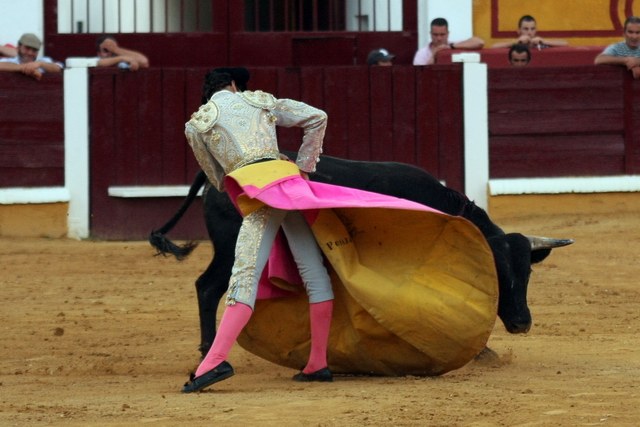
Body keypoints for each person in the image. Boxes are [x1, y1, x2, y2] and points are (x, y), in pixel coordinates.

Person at [181, 67, 335, 392]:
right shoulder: (260, 101)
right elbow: (317, 117)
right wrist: (303, 168)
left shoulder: (198, 124)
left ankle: (214, 360)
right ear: (235, 85)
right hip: (289, 183)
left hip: (259, 193)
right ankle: (318, 362)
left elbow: (218, 180)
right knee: (313, 270)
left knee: (244, 274)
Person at [413, 18, 484, 65]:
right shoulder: (422, 54)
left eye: (442, 34)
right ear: (430, 34)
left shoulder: (454, 45)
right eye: (435, 35)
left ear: (448, 33)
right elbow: (422, 75)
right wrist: (434, 56)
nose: (439, 38)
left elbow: (480, 42)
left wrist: (451, 46)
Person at [491, 15, 569, 49]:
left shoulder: (541, 45)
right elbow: (493, 47)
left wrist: (544, 42)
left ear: (536, 30)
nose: (529, 32)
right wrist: (517, 42)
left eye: (532, 29)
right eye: (526, 29)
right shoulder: (514, 45)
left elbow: (565, 44)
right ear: (519, 31)